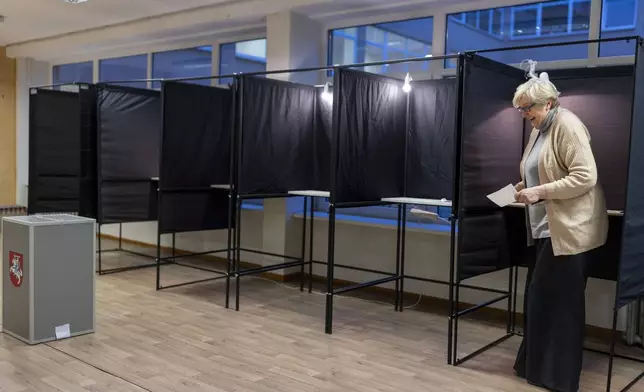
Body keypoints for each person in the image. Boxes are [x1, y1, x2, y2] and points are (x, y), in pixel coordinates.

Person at [511, 63, 609, 392]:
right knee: (540, 299)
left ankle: (558, 378)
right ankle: (535, 368)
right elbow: (544, 169)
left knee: (561, 305)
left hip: (569, 231)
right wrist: (525, 184)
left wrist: (538, 191)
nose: (525, 114)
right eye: (521, 109)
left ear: (549, 103)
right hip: (545, 229)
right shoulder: (540, 128)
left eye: (528, 108)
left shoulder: (568, 125)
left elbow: (585, 177)